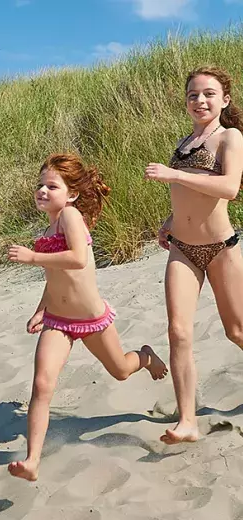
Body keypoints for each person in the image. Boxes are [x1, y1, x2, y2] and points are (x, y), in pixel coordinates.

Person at [7, 153, 168, 481]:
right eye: (40, 185)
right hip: (58, 321)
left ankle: (146, 356)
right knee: (41, 384)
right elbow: (56, 278)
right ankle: (32, 460)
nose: (42, 190)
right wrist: (41, 308)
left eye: (51, 185)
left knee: (121, 370)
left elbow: (79, 259)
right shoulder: (51, 223)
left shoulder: (69, 216)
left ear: (72, 194)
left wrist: (32, 257)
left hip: (91, 319)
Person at [145, 66, 243, 445]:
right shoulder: (185, 142)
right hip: (181, 248)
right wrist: (170, 220)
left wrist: (174, 175)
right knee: (178, 331)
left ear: (224, 99)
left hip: (221, 248)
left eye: (208, 94)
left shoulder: (230, 137)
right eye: (192, 95)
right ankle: (188, 420)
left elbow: (229, 187)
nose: (199, 100)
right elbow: (189, 197)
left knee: (236, 330)